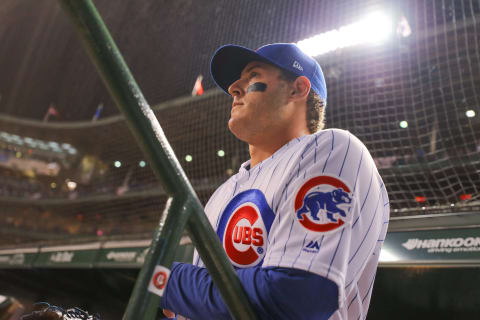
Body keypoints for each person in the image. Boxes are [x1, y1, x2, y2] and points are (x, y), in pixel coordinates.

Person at [161, 43, 390, 319]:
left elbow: (297, 296)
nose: (234, 88)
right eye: (236, 82)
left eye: (253, 76)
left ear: (298, 89)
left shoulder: (333, 148)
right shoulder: (221, 194)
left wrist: (169, 280)